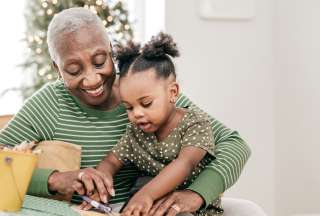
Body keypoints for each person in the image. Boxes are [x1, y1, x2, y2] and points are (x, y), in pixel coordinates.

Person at [0, 7, 251, 215]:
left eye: (99, 60)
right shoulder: (48, 104)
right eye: (73, 69)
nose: (92, 79)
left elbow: (234, 145)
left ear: (111, 50)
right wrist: (56, 180)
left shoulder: (142, 92)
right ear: (57, 69)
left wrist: (195, 194)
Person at [76, 32, 223, 216]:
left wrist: (146, 195)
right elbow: (112, 160)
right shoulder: (136, 133)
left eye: (146, 103)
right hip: (149, 205)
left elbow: (184, 164)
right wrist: (102, 179)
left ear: (173, 92)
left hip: (188, 209)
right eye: (129, 107)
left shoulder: (195, 123)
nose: (137, 114)